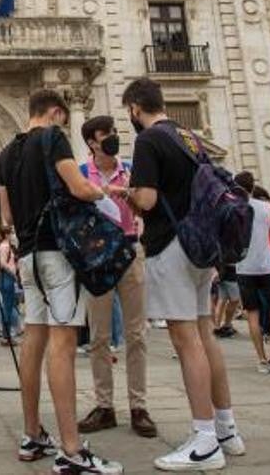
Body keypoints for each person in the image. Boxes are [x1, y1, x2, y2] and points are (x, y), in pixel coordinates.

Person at [122, 77, 243, 471]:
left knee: (185, 338)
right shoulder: (187, 136)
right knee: (205, 334)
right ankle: (226, 428)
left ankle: (205, 440)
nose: (131, 119)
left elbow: (147, 198)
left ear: (136, 108)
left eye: (130, 113)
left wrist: (128, 193)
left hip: (171, 245)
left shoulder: (147, 141)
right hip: (199, 247)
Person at [0, 90, 121, 474]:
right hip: (58, 253)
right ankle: (71, 450)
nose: (64, 124)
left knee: (33, 338)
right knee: (63, 343)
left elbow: (5, 215)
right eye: (63, 118)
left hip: (29, 256)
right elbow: (79, 187)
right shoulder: (52, 138)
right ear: (54, 112)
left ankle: (32, 434)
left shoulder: (5, 155)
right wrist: (107, 191)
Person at [74, 115, 157, 439]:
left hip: (130, 249)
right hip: (97, 255)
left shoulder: (131, 170)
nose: (112, 137)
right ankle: (104, 406)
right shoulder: (82, 174)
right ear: (92, 142)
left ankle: (139, 407)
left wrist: (129, 195)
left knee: (137, 334)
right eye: (105, 134)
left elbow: (146, 208)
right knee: (98, 336)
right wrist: (98, 194)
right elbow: (73, 213)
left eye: (113, 132)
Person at [232, 174, 270, 373]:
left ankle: (262, 360)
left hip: (244, 267)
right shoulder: (265, 207)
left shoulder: (235, 209)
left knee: (252, 315)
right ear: (253, 186)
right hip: (267, 266)